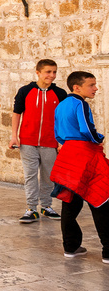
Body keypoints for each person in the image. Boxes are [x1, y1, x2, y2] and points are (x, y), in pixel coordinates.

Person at [51, 71, 109, 263]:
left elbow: (57, 133)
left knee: (70, 202)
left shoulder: (60, 105)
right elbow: (86, 129)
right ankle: (108, 251)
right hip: (84, 155)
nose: (95, 88)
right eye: (91, 85)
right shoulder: (80, 104)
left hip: (67, 154)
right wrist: (98, 139)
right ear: (77, 87)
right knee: (100, 199)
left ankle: (71, 247)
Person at [10, 59, 67, 223]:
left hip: (50, 142)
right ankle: (31, 209)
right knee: (30, 176)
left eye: (54, 72)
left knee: (48, 176)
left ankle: (46, 206)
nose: (52, 75)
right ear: (38, 73)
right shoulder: (25, 91)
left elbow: (62, 119)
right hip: (28, 141)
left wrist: (62, 141)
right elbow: (16, 113)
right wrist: (14, 136)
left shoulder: (60, 93)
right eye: (48, 72)